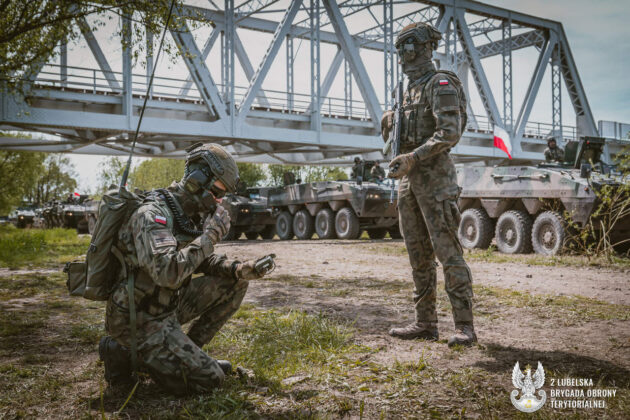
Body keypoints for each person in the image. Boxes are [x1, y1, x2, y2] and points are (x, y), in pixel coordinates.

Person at [99, 143, 274, 394]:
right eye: (216, 192)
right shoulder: (153, 215)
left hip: (166, 307)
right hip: (138, 318)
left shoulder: (186, 213)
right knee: (210, 380)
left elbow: (197, 259)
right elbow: (167, 272)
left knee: (236, 283)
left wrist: (238, 269)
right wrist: (210, 236)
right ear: (196, 180)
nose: (219, 201)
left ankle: (185, 353)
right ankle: (121, 351)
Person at [381, 23, 477, 347]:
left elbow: (448, 133)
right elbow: (396, 142)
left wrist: (414, 157)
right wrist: (389, 125)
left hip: (436, 183)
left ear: (421, 48)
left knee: (449, 253)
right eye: (400, 49)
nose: (404, 55)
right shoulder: (404, 91)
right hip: (408, 185)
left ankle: (465, 326)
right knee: (418, 256)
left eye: (408, 48)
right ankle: (425, 323)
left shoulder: (441, 83)